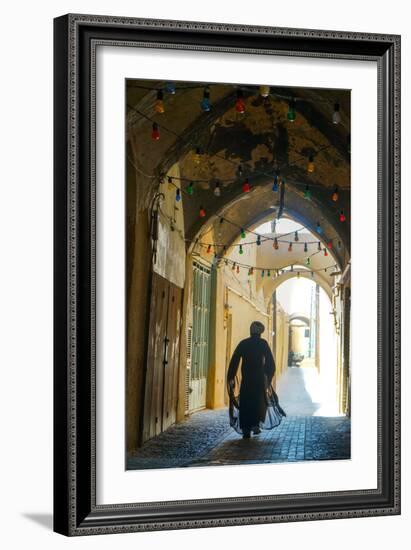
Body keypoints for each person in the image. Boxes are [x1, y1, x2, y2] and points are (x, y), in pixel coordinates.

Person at [227, 321, 286, 439]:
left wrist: (231, 376)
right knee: (258, 402)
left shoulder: (243, 343)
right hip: (259, 379)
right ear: (260, 333)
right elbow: (271, 363)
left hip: (247, 379)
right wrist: (267, 376)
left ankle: (246, 429)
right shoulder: (263, 344)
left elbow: (234, 360)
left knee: (245, 403)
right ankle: (255, 424)